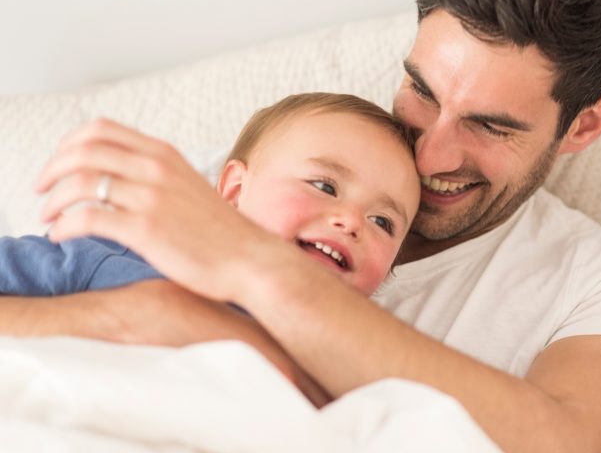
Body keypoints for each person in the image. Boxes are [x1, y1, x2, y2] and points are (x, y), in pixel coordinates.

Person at [7, 0, 601, 453]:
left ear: (585, 127)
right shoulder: (268, 167)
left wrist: (253, 269)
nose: (429, 155)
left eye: (490, 125)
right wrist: (139, 315)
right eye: (422, 90)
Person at [0, 92, 420, 298]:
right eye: (325, 186)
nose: (350, 222)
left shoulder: (358, 356)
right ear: (235, 190)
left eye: (382, 222)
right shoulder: (127, 256)